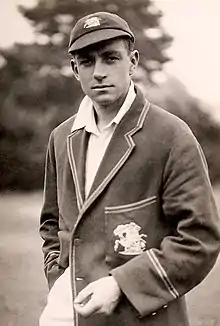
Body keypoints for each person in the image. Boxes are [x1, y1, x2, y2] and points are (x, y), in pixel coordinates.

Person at [39, 11, 220, 326]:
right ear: (74, 69)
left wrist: (121, 285)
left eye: (111, 59)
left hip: (140, 316)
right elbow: (52, 224)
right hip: (66, 315)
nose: (98, 73)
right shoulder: (61, 138)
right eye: (86, 62)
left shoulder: (171, 135)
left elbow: (200, 239)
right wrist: (58, 278)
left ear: (133, 62)